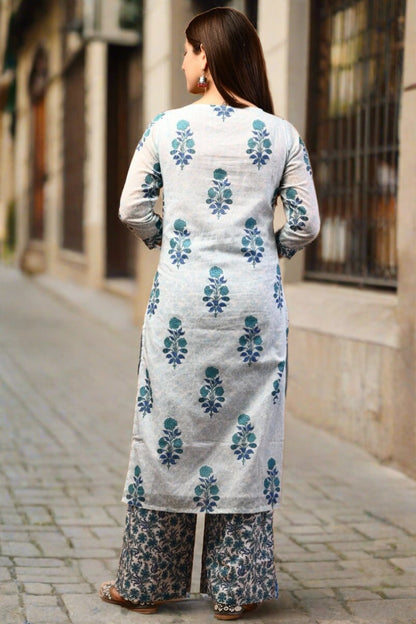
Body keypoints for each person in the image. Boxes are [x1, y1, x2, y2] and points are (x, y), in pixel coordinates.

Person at [100, 6, 319, 621]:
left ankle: (148, 584)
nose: (183, 61)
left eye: (189, 50)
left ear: (208, 57)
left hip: (182, 305)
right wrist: (264, 252)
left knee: (168, 436)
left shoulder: (166, 128)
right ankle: (233, 591)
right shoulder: (282, 134)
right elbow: (306, 223)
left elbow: (130, 207)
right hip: (254, 306)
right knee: (246, 441)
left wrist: (171, 240)